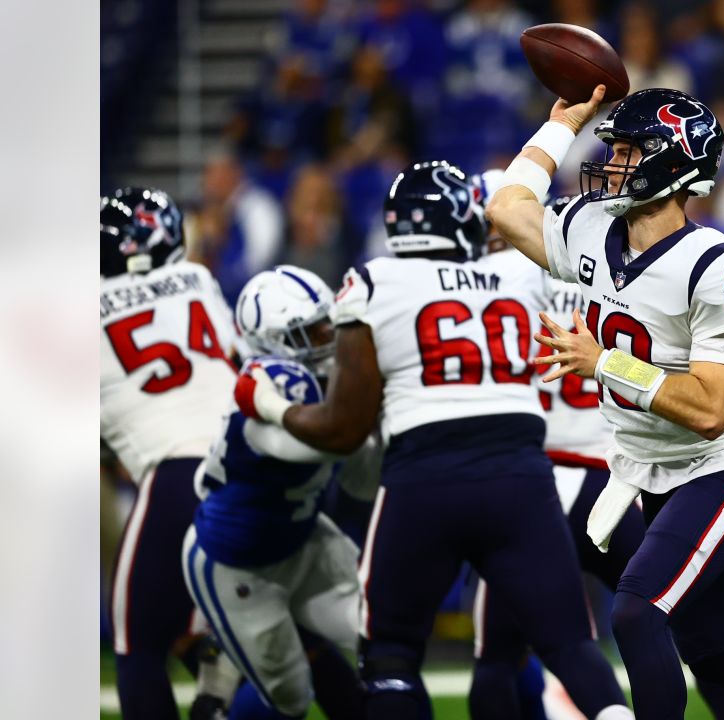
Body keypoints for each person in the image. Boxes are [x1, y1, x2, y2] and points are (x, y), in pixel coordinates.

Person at [484, 85, 724, 719]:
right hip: (652, 472)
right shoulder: (594, 230)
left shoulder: (720, 265)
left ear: (672, 163)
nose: (612, 162)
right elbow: (508, 209)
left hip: (722, 471)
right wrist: (560, 127)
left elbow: (711, 411)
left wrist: (607, 363)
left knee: (637, 613)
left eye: (627, 149)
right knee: (719, 652)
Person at [234, 160, 632, 720]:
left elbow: (345, 430)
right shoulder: (517, 277)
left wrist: (271, 405)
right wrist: (561, 123)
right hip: (520, 477)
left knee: (392, 656)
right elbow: (522, 205)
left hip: (425, 479)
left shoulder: (372, 281)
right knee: (569, 643)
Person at [467, 191, 724, 720]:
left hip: (536, 482)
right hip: (615, 475)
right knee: (679, 630)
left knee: (508, 649)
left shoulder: (496, 281)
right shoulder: (620, 271)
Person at [184, 266, 371, 719]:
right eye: (312, 331)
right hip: (238, 565)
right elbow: (323, 444)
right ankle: (223, 677)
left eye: (329, 322)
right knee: (290, 699)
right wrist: (369, 407)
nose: (328, 336)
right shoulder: (271, 382)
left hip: (304, 537)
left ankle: (227, 657)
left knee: (379, 636)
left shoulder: (315, 380)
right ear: (273, 340)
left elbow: (360, 482)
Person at [100, 188, 241, 720]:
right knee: (290, 636)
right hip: (245, 461)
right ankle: (215, 684)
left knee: (135, 641)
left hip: (176, 471)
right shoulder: (200, 281)